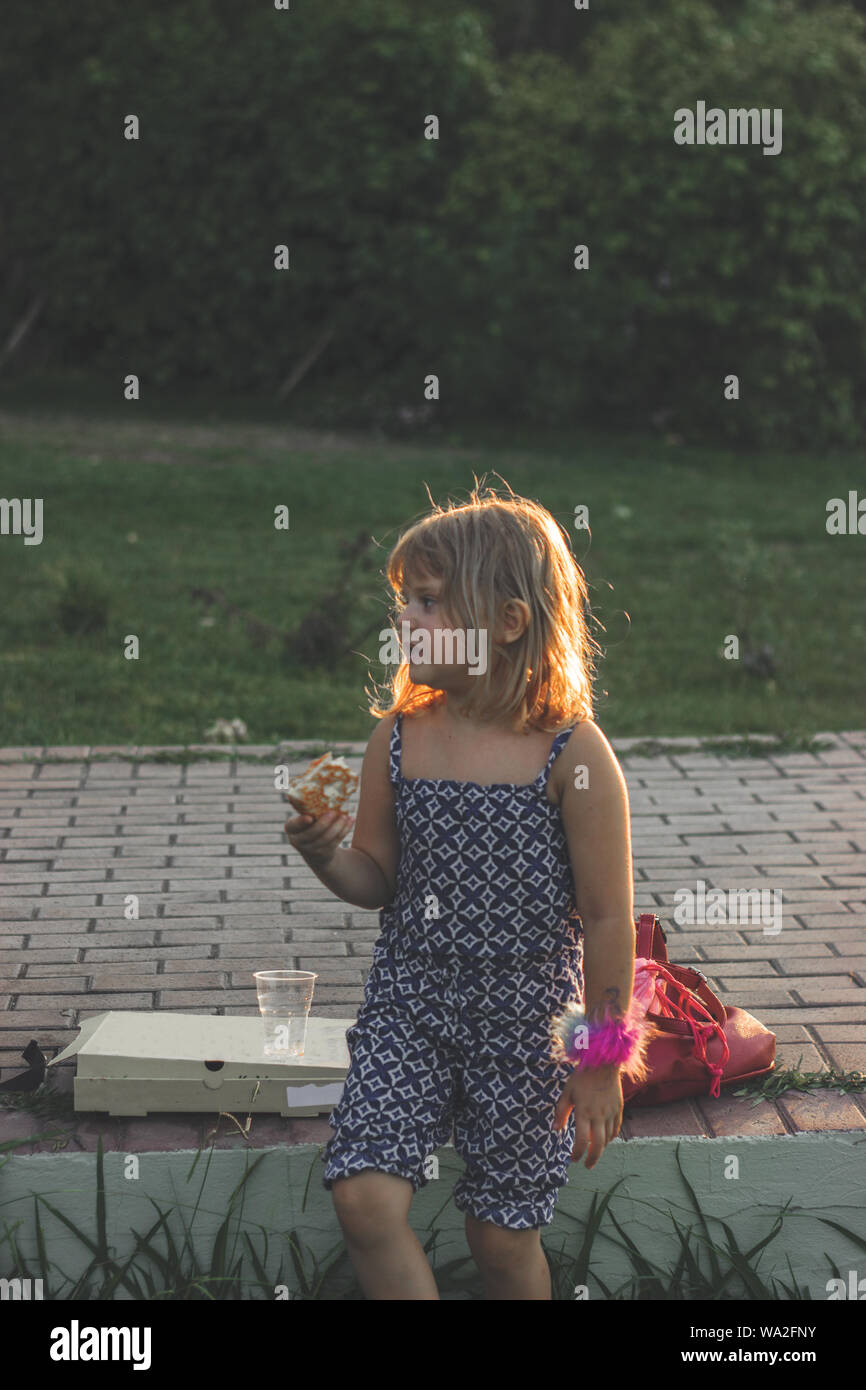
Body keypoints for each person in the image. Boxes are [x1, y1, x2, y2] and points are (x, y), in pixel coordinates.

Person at [284, 478, 655, 1300]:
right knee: (364, 1199)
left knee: (499, 1236)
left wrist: (600, 1062)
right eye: (402, 600)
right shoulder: (399, 737)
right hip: (408, 1002)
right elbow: (375, 878)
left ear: (510, 621)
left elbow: (604, 917)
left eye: (427, 601)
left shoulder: (573, 754)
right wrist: (322, 854)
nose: (403, 620)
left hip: (528, 1020)